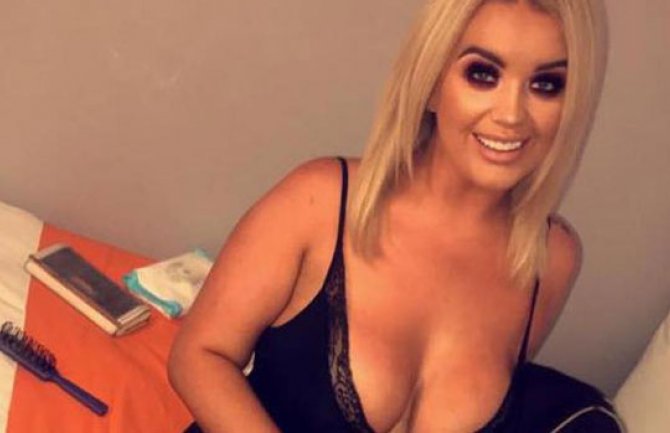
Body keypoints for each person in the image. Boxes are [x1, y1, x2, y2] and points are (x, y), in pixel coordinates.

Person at [168, 0, 609, 431]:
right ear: (432, 83)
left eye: (547, 84)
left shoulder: (551, 259)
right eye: (482, 74)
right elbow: (199, 355)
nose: (512, 115)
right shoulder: (321, 201)